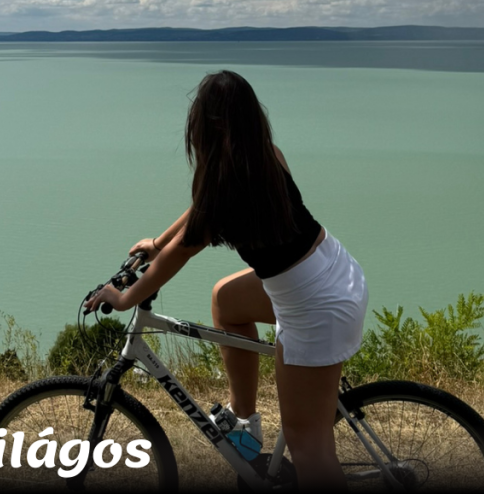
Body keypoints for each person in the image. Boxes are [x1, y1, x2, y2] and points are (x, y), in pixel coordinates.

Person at [83, 70, 369, 490]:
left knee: (310, 447)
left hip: (315, 306)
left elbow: (185, 250)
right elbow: (199, 212)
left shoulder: (233, 180)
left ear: (208, 125)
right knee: (226, 300)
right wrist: (157, 243)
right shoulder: (264, 154)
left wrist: (125, 298)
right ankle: (245, 425)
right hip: (331, 271)